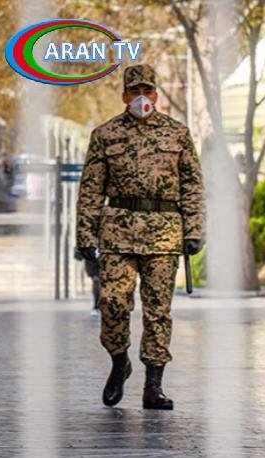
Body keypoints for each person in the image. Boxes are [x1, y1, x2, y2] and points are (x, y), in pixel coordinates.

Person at [76, 64, 205, 410]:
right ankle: (120, 362)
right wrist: (85, 235)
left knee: (158, 310)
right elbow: (91, 190)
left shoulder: (177, 133)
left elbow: (192, 185)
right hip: (118, 233)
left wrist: (194, 229)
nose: (142, 97)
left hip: (164, 233)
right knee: (113, 304)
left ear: (156, 95)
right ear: (124, 95)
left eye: (147, 90)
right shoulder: (105, 135)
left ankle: (153, 386)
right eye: (135, 91)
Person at [73, 247, 101, 316]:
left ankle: (97, 307)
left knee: (98, 283)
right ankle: (96, 307)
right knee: (97, 282)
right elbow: (79, 256)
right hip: (93, 261)